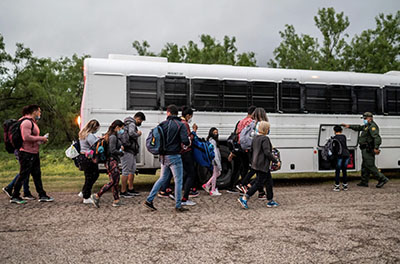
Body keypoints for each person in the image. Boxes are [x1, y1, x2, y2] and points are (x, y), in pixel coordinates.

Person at [143, 104, 190, 212]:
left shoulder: (162, 124)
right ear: (176, 113)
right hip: (174, 156)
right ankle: (178, 205)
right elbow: (185, 141)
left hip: (163, 156)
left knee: (162, 178)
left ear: (168, 113)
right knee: (178, 180)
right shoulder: (180, 125)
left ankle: (149, 200)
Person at [10, 104, 54, 204]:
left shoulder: (32, 122)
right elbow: (26, 137)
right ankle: (15, 195)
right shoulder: (26, 122)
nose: (40, 113)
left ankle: (42, 194)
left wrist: (40, 141)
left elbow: (31, 139)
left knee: (37, 174)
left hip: (33, 152)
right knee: (23, 174)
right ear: (34, 111)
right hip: (26, 153)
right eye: (39, 111)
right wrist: (41, 138)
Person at [238, 121, 280, 209]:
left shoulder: (255, 138)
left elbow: (252, 150)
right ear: (266, 129)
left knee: (269, 182)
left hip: (256, 164)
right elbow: (267, 152)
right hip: (263, 164)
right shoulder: (265, 139)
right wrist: (275, 161)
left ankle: (270, 200)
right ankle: (245, 198)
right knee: (258, 183)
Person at [342, 112, 389, 188]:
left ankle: (382, 179)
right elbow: (359, 127)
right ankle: (364, 181)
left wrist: (376, 148)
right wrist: (349, 126)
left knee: (370, 165)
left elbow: (377, 138)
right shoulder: (367, 126)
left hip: (368, 149)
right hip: (364, 149)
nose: (364, 120)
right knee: (364, 166)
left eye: (365, 118)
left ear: (370, 118)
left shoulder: (372, 126)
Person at [237, 107, 269, 199]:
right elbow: (259, 137)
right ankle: (246, 185)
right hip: (258, 150)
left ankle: (260, 192)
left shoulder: (248, 122)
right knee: (259, 170)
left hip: (249, 148)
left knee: (256, 170)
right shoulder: (259, 124)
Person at [91, 120, 125, 208]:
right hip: (112, 160)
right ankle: (97, 195)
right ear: (117, 127)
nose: (122, 130)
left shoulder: (108, 135)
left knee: (116, 181)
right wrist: (121, 152)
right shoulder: (113, 137)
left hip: (109, 161)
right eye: (121, 128)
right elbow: (112, 150)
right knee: (113, 181)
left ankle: (116, 200)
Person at [226, 105, 256, 193]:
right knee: (246, 168)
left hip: (237, 146)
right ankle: (243, 186)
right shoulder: (251, 122)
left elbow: (236, 133)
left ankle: (231, 186)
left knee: (237, 167)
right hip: (245, 148)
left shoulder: (241, 121)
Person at [119, 112, 146, 198]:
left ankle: (130, 189)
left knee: (132, 170)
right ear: (137, 118)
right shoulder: (131, 124)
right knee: (126, 170)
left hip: (130, 151)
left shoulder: (128, 123)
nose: (140, 122)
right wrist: (138, 134)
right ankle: (123, 191)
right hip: (128, 150)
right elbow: (131, 133)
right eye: (141, 120)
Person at [78, 119, 100, 204]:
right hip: (89, 158)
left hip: (83, 157)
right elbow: (95, 146)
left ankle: (84, 192)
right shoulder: (90, 135)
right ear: (94, 127)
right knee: (92, 176)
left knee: (88, 176)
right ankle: (86, 196)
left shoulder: (83, 134)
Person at [202, 127, 222, 196]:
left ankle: (207, 184)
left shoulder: (210, 141)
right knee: (215, 174)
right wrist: (218, 162)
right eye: (214, 132)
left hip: (213, 160)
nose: (216, 134)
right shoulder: (213, 141)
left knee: (217, 173)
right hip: (215, 160)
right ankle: (212, 189)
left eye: (216, 132)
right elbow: (215, 153)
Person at [332, 125, 350, 191]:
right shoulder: (344, 137)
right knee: (344, 170)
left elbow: (334, 148)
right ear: (341, 131)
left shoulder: (334, 138)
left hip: (339, 155)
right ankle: (345, 186)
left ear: (334, 131)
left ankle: (337, 186)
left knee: (338, 171)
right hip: (346, 155)